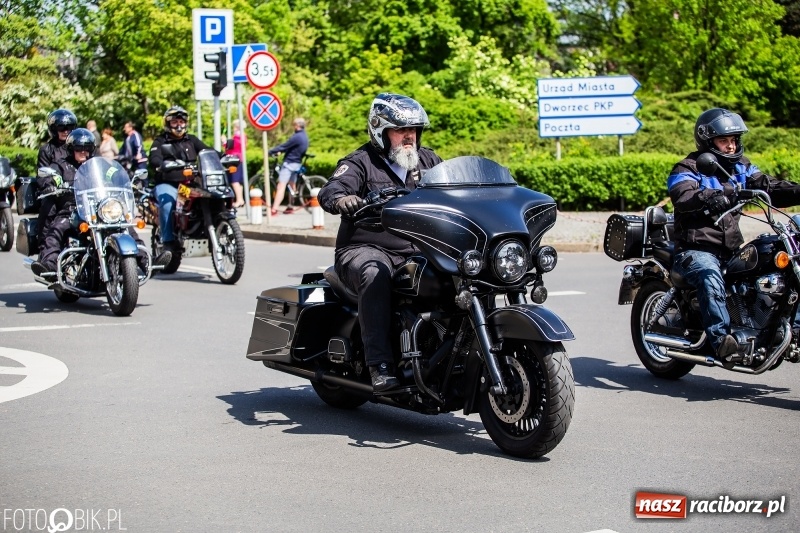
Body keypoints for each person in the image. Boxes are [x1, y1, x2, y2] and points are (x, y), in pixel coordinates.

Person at [318, 93, 443, 391]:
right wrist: (343, 199)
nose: (409, 136)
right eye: (401, 130)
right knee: (375, 272)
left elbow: (457, 187)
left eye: (413, 130)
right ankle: (380, 365)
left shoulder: (429, 161)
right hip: (366, 249)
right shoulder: (360, 162)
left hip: (419, 249)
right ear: (380, 131)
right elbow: (331, 190)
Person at [668, 108, 800, 363]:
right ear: (707, 140)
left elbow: (768, 186)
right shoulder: (688, 167)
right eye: (724, 141)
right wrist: (710, 197)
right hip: (695, 250)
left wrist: (797, 192)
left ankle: (785, 330)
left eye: (734, 140)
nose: (730, 146)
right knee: (710, 277)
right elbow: (682, 195)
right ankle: (722, 342)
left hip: (730, 250)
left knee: (777, 265)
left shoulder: (742, 167)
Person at [31, 129, 169, 277]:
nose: (84, 152)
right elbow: (50, 177)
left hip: (99, 208)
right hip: (71, 210)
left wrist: (129, 180)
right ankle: (49, 265)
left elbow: (112, 171)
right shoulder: (61, 166)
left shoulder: (96, 164)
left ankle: (147, 262)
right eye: (79, 149)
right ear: (71, 149)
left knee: (126, 227)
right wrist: (51, 184)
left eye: (87, 149)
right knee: (57, 228)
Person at [148, 105, 214, 253]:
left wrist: (224, 157)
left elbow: (208, 150)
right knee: (168, 203)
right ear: (167, 123)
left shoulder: (191, 140)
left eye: (182, 122)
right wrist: (162, 163)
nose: (179, 125)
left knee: (210, 196)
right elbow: (154, 158)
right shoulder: (160, 141)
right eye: (174, 122)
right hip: (169, 184)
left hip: (189, 185)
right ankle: (168, 243)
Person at [268, 117, 308, 215]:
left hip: (290, 163)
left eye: (294, 125)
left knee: (281, 186)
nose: (293, 127)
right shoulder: (304, 136)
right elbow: (291, 148)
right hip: (297, 163)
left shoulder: (296, 136)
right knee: (292, 185)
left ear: (297, 126)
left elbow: (285, 145)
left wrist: (271, 151)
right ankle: (290, 207)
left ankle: (274, 209)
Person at [222, 120, 245, 208]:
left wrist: (224, 142)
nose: (233, 128)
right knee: (238, 182)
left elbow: (232, 147)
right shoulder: (241, 136)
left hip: (234, 160)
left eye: (234, 126)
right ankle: (241, 200)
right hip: (238, 159)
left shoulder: (238, 136)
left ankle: (239, 200)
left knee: (234, 181)